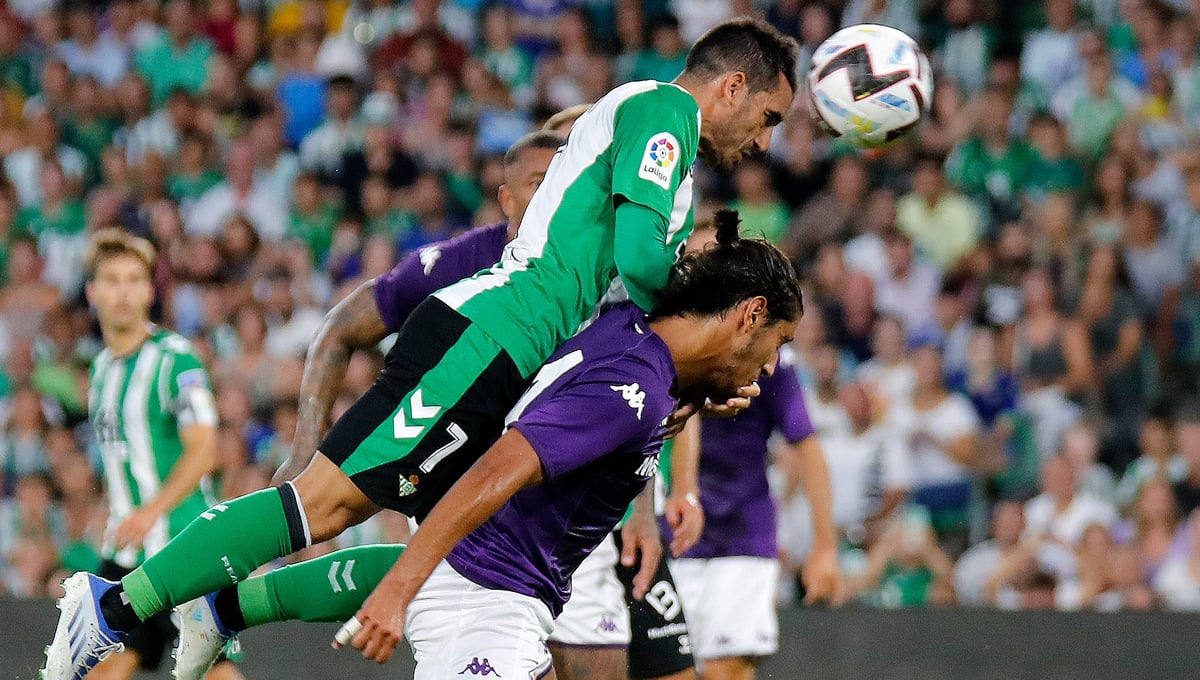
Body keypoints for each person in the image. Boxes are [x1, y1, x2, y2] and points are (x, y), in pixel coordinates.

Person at [45, 17, 800, 679]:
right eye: (768, 117)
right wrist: (704, 315)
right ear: (732, 86)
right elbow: (638, 261)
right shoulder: (666, 113)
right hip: (492, 333)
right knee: (325, 502)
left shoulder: (664, 143)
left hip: (517, 352)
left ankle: (222, 608)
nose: (765, 141)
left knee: (464, 561)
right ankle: (112, 607)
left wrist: (697, 371)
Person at [131, 210, 803, 678]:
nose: (772, 365)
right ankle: (129, 604)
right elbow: (499, 468)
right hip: (488, 604)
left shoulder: (631, 326)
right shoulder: (636, 392)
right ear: (750, 314)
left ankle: (226, 606)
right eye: (778, 342)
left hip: (500, 579)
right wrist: (398, 589)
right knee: (328, 513)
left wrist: (699, 394)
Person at [43, 229, 241, 680]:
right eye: (112, 280)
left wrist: (151, 511)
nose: (124, 292)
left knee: (211, 671)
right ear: (92, 292)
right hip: (126, 548)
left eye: (134, 280)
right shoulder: (100, 370)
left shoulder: (176, 360)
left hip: (184, 544)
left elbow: (205, 450)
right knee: (95, 666)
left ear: (150, 291)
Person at [670, 224, 837, 679]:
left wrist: (825, 546)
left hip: (742, 535)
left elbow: (808, 448)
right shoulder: (664, 338)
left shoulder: (770, 357)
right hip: (673, 533)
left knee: (724, 672)